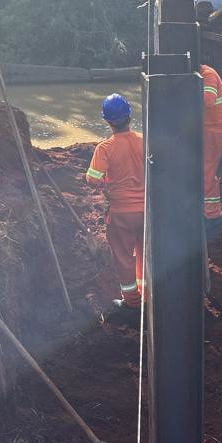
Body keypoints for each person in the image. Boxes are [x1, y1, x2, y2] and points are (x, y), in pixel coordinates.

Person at [86, 94, 145, 310]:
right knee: (146, 254)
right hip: (148, 211)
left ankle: (132, 302)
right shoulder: (144, 140)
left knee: (124, 258)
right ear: (129, 116)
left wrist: (105, 185)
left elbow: (93, 178)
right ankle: (149, 294)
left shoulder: (105, 148)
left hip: (121, 214)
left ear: (108, 121)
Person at [199, 62, 222, 222]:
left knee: (206, 173)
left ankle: (212, 215)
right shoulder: (204, 74)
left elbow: (209, 100)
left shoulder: (208, 74)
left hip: (215, 132)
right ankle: (206, 209)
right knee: (204, 170)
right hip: (208, 130)